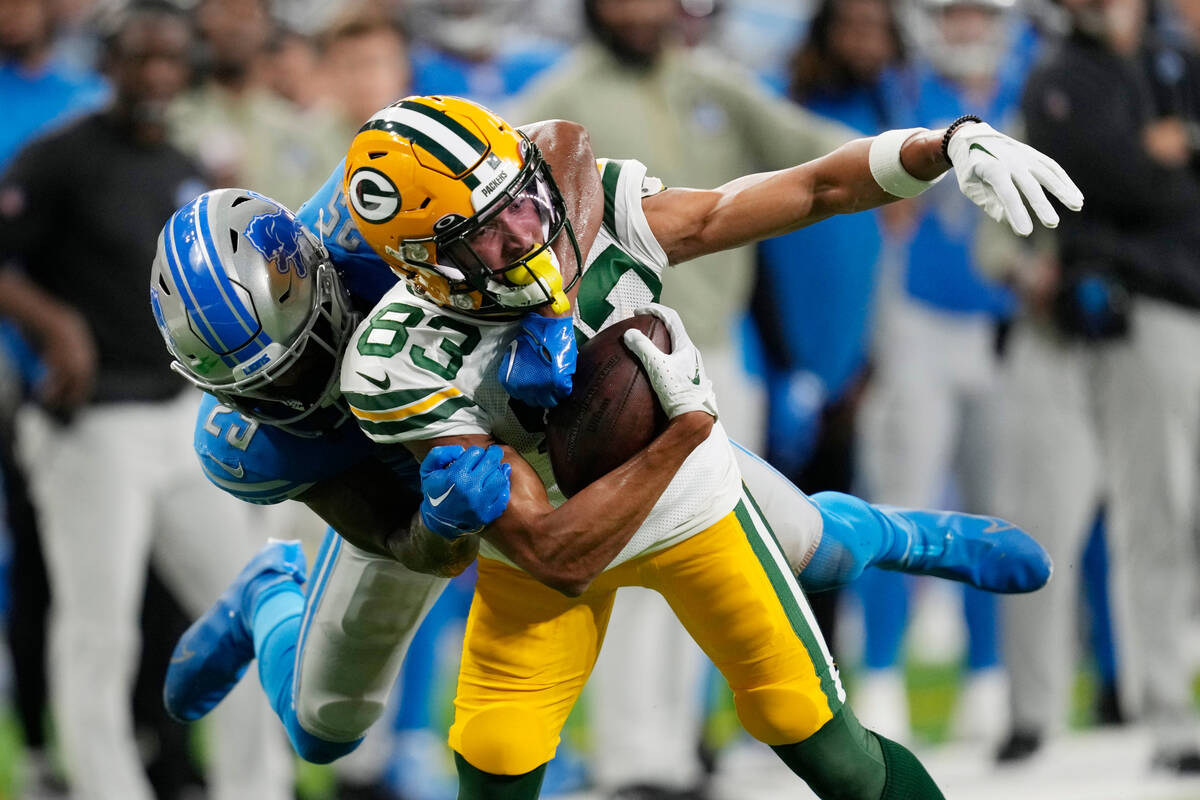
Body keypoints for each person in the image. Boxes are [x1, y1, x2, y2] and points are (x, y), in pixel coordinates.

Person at [158, 98, 1060, 796]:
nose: (301, 375)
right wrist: (443, 522)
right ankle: (269, 596)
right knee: (325, 726)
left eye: (516, 215)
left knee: (809, 550)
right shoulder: (299, 418)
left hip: (579, 446)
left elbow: (558, 149)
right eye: (264, 383)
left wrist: (943, 143)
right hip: (425, 485)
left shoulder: (400, 215)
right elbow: (448, 543)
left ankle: (909, 537)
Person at [0, 6, 291, 800]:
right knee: (100, 631)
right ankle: (106, 788)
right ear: (110, 64)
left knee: (251, 607)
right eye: (141, 60)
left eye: (172, 60)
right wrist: (54, 324)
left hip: (181, 416)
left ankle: (255, 788)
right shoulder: (57, 158)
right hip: (89, 427)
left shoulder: (186, 165)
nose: (158, 75)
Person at [996, 0, 1200, 770]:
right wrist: (1160, 164)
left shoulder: (1172, 63)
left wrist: (1163, 160)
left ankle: (1163, 709)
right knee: (1065, 513)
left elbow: (1131, 179)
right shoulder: (1055, 76)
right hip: (1087, 318)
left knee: (1166, 512)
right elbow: (1102, 177)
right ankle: (1042, 714)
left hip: (1173, 307)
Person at [852, 0, 1029, 744]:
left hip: (1008, 323)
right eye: (952, 13)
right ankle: (882, 675)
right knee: (904, 497)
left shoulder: (1029, 87)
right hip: (918, 322)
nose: (964, 27)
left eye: (975, 13)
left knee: (998, 501)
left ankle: (990, 675)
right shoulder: (903, 91)